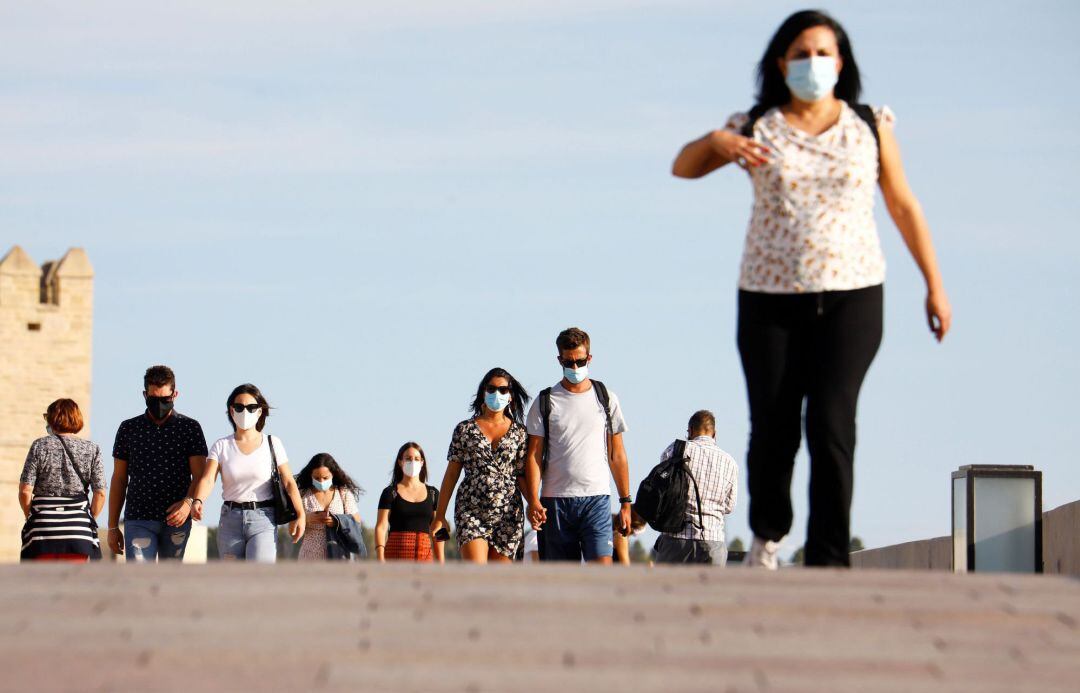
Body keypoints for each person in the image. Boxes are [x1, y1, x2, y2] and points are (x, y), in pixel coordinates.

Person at [671, 10, 951, 568]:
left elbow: (902, 204)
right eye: (801, 53)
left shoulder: (869, 123)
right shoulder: (755, 125)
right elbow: (683, 167)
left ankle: (828, 556)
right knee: (773, 424)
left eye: (825, 53)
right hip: (768, 297)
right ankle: (768, 536)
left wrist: (934, 285)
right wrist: (717, 141)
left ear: (842, 62)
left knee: (831, 420)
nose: (813, 63)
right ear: (781, 63)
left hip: (853, 294)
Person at [524, 327, 633, 564]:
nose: (575, 368)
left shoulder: (606, 398)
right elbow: (533, 456)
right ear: (559, 360)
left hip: (597, 499)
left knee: (602, 572)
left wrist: (626, 502)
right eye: (568, 362)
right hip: (555, 501)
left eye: (580, 361)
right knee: (562, 581)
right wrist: (533, 500)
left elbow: (617, 455)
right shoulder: (545, 401)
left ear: (589, 359)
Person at [193, 383, 305, 562]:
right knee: (232, 580)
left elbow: (289, 482)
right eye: (239, 407)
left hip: (263, 518)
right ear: (231, 411)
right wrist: (198, 500)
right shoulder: (221, 446)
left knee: (259, 577)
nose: (245, 412)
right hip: (230, 519)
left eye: (251, 407)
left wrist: (300, 514)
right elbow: (207, 479)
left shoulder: (272, 443)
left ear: (260, 411)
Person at [107, 365, 208, 562]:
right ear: (145, 395)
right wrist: (112, 526)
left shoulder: (189, 428)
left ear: (175, 394)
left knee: (169, 581)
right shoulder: (129, 428)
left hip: (176, 520)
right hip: (139, 517)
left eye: (165, 399)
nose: (160, 404)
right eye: (154, 399)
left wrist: (188, 503)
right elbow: (119, 479)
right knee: (139, 580)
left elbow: (200, 475)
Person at [432, 368, 530, 564]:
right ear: (483, 392)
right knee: (477, 573)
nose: (497, 394)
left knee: (500, 582)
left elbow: (521, 475)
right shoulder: (465, 429)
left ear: (510, 396)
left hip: (509, 513)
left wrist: (535, 504)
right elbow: (451, 474)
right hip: (471, 509)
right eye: (491, 389)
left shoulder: (520, 433)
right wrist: (440, 515)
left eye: (503, 390)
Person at [19, 399, 106, 561]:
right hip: (78, 533)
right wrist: (86, 517)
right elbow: (100, 493)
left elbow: (25, 490)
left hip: (42, 531)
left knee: (42, 584)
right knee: (73, 584)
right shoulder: (92, 449)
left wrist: (30, 515)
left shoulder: (39, 446)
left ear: (53, 419)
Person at [652, 410, 738, 566]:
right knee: (711, 591)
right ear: (714, 434)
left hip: (675, 538)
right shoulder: (730, 462)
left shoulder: (675, 450)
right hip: (713, 541)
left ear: (690, 430)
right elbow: (729, 506)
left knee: (666, 589)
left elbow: (661, 491)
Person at [375, 442, 444, 563]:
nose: (413, 462)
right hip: (395, 557)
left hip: (424, 558)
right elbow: (381, 526)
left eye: (417, 459)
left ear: (422, 462)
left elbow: (439, 528)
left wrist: (441, 561)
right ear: (400, 462)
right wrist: (381, 558)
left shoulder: (433, 493)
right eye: (408, 459)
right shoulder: (390, 492)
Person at [295, 453, 363, 561]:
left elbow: (357, 522)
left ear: (333, 474)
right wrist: (306, 519)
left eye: (325, 477)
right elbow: (292, 531)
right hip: (309, 557)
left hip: (340, 556)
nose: (321, 481)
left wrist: (337, 521)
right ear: (310, 475)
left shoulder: (343, 493)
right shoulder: (302, 494)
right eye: (316, 478)